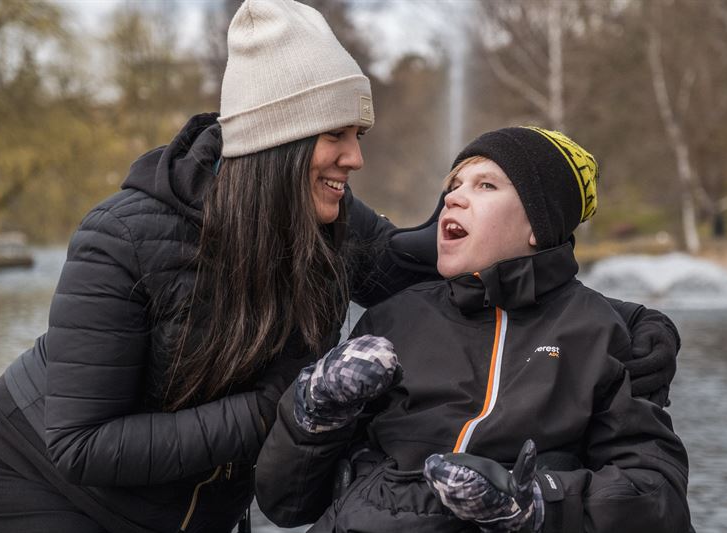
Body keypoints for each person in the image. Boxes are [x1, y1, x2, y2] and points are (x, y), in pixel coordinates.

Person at [0, 1, 678, 532]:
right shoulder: (122, 239)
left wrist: (621, 323)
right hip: (34, 481)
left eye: (361, 135)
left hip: (188, 510)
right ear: (279, 142)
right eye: (338, 135)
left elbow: (443, 263)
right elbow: (81, 444)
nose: (357, 157)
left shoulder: (332, 228)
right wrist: (293, 402)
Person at [255, 127, 692, 532]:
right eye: (452, 187)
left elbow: (658, 497)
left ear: (539, 225)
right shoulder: (392, 320)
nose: (453, 199)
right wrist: (314, 411)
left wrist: (535, 505)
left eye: (485, 185)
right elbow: (287, 503)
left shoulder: (601, 335)